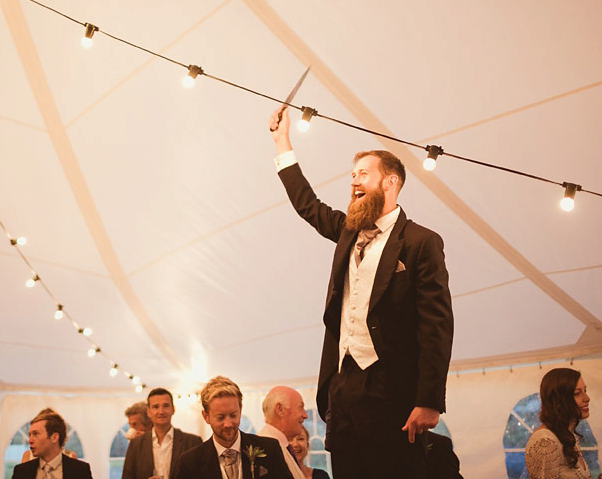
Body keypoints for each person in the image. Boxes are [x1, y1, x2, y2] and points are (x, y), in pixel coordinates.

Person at [268, 106, 454, 479]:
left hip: (392, 387)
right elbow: (308, 205)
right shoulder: (348, 232)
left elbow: (437, 324)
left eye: (363, 174)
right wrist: (281, 141)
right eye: (352, 175)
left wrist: (429, 400)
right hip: (343, 383)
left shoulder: (421, 242)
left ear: (390, 183)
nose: (353, 181)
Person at [175, 376, 293, 479]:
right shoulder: (190, 461)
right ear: (206, 417)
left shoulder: (270, 449)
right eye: (220, 417)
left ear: (240, 410)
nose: (228, 424)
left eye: (233, 415)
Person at [525, 368, 602, 479]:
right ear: (558, 400)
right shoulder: (545, 440)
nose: (587, 398)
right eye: (577, 393)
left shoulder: (568, 436)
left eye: (585, 391)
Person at [122, 387, 201, 479]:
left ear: (173, 409)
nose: (161, 411)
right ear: (149, 412)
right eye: (156, 407)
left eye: (166, 406)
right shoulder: (136, 444)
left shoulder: (193, 443)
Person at [10, 410, 92, 479]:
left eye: (36, 434)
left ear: (54, 437)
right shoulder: (21, 471)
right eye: (30, 435)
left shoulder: (80, 470)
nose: (30, 440)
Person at [258, 386, 307, 479]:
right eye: (300, 408)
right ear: (280, 410)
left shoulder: (282, 445)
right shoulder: (265, 449)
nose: (305, 415)